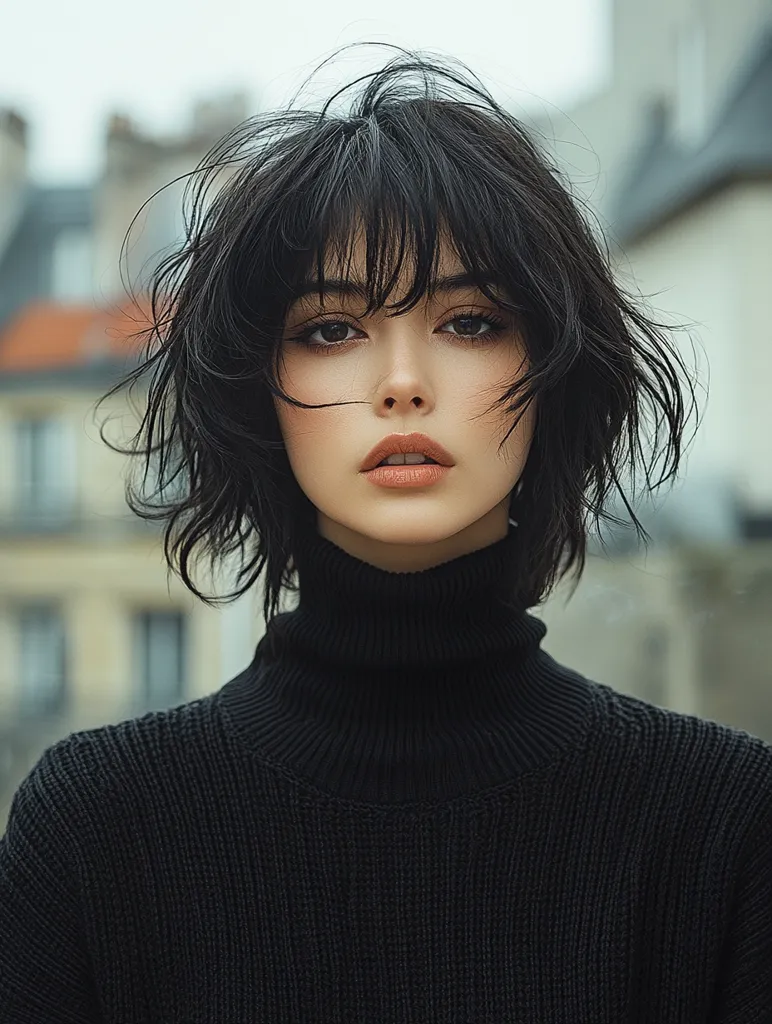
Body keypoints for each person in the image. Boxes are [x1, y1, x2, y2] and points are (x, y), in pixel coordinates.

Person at [2, 45, 770, 1023]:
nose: (401, 381)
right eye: (331, 328)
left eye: (469, 321)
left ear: (552, 369)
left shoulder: (719, 826)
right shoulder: (96, 826)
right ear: (257, 394)